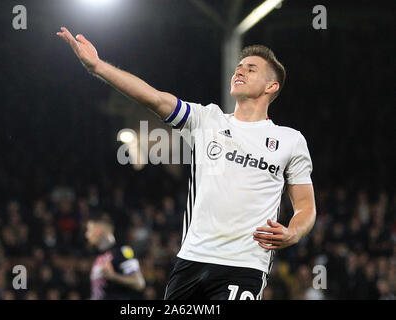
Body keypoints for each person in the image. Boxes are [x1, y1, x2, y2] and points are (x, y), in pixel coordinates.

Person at [57, 27, 316, 300]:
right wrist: (97, 66)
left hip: (244, 266)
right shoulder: (207, 119)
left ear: (271, 86)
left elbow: (306, 205)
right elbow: (153, 97)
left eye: (251, 69)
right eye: (238, 67)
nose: (239, 71)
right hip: (191, 259)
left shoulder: (289, 140)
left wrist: (293, 232)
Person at [85, 214, 145, 300]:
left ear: (99, 231)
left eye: (89, 230)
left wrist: (114, 276)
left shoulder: (123, 251)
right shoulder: (98, 257)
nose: (87, 235)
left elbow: (139, 283)